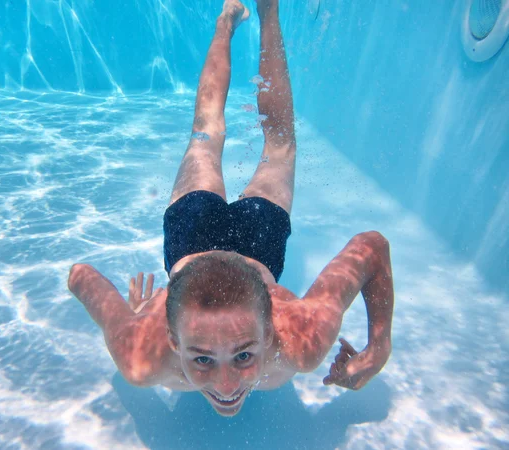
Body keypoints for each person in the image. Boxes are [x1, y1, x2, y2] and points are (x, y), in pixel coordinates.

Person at [68, 0, 394, 417]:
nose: (227, 386)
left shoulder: (142, 352)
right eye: (202, 358)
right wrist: (376, 348)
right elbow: (370, 246)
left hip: (192, 232)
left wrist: (139, 316)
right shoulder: (147, 352)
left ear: (271, 327)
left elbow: (81, 275)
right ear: (172, 340)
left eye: (244, 355)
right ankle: (238, 19)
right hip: (259, 244)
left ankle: (259, 12)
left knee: (210, 129)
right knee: (270, 141)